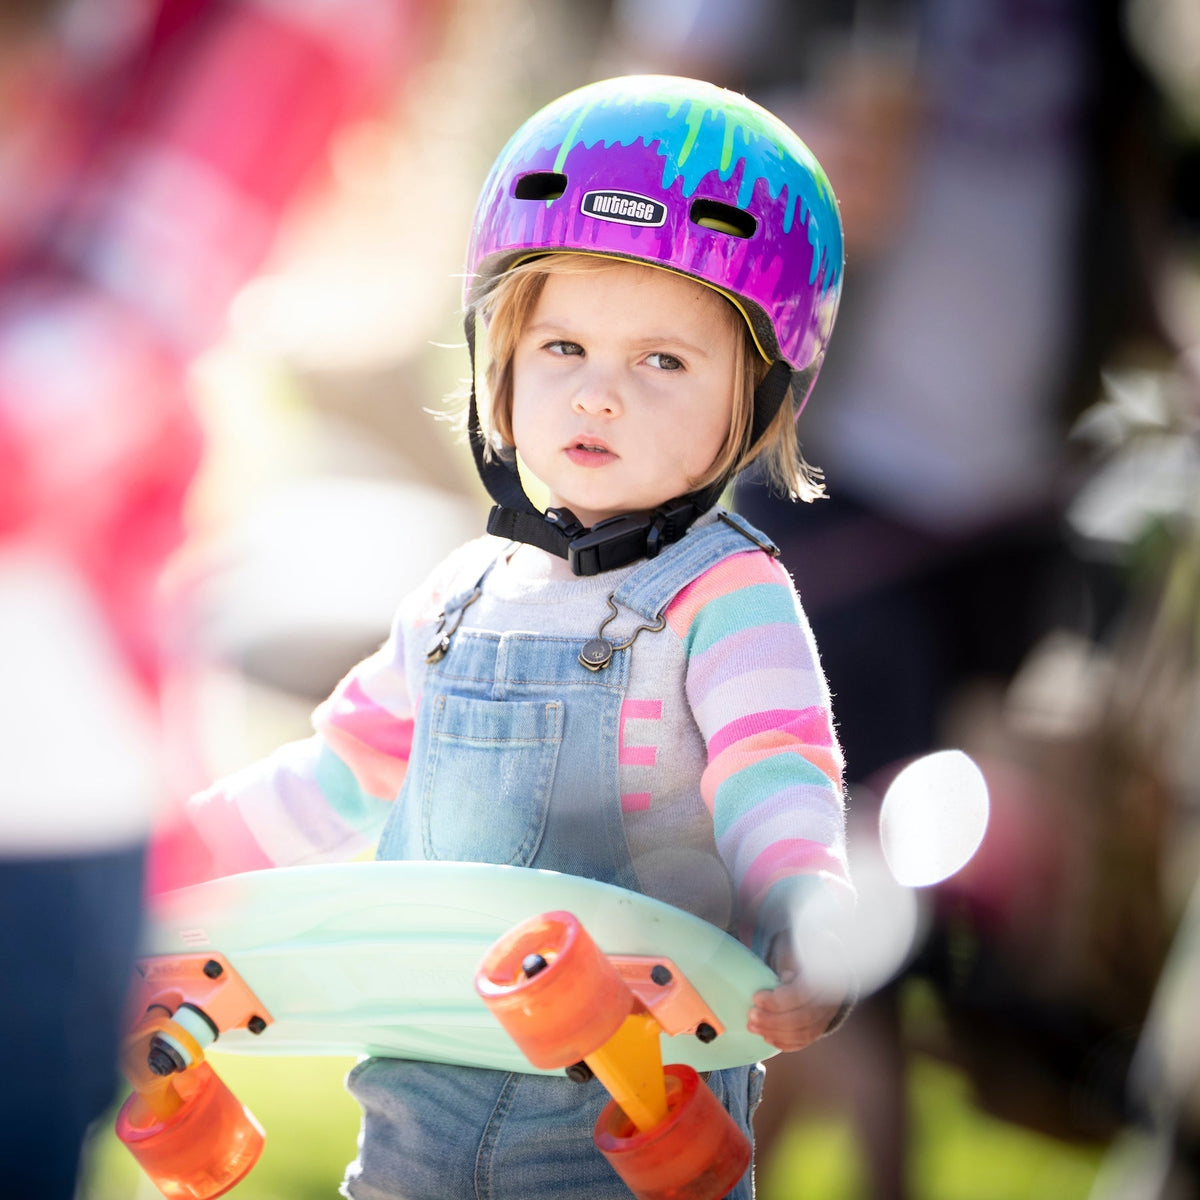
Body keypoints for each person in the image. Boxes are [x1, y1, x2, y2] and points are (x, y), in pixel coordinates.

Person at [175, 74, 854, 1199]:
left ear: (764, 391)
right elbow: (342, 776)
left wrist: (802, 907)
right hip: (413, 1126)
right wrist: (171, 869)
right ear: (498, 354)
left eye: (663, 361)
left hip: (632, 1131)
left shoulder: (724, 595)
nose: (598, 396)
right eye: (563, 349)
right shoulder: (458, 595)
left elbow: (773, 771)